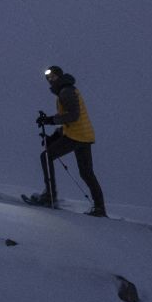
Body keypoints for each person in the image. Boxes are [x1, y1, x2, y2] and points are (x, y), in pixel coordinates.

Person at [29, 66, 107, 217]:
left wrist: (50, 120)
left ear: (60, 76)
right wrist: (55, 136)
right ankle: (100, 208)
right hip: (84, 135)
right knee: (86, 173)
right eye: (48, 79)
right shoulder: (66, 91)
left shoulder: (66, 91)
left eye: (53, 77)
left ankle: (50, 196)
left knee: (46, 156)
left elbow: (73, 116)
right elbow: (68, 119)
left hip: (77, 136)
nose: (51, 80)